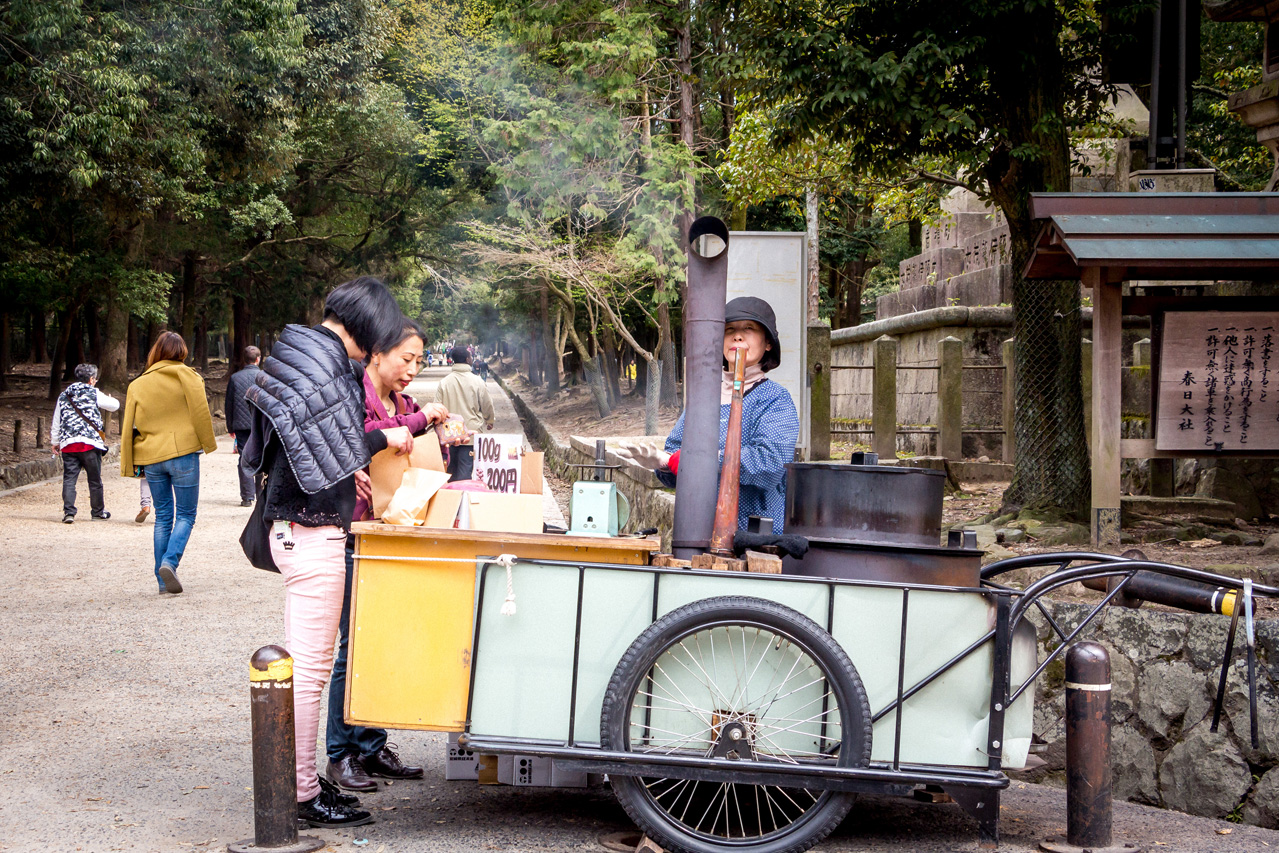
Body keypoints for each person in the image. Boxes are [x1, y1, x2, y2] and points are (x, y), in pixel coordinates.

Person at [241, 277, 415, 830]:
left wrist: (346, 470)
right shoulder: (331, 368)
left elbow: (311, 446)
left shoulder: (300, 352)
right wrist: (386, 439)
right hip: (311, 529)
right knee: (309, 672)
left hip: (294, 523)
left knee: (305, 668)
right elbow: (343, 443)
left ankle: (301, 786)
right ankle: (300, 794)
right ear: (366, 327)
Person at [326, 319, 448, 793]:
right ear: (376, 353)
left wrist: (440, 434)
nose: (413, 369)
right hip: (354, 533)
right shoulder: (353, 393)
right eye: (406, 358)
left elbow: (415, 453)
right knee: (352, 646)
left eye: (419, 360)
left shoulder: (404, 403)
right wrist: (418, 423)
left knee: (379, 642)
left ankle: (371, 745)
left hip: (394, 533)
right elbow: (358, 436)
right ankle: (340, 754)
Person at [616, 297, 798, 535]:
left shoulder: (774, 398)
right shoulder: (705, 397)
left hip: (752, 536)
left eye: (749, 328)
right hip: (696, 531)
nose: (737, 336)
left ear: (768, 344)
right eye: (729, 329)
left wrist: (701, 461)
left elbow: (770, 464)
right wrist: (663, 463)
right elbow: (677, 455)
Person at [121, 333, 217, 594]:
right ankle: (169, 563)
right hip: (183, 453)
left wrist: (129, 460)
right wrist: (208, 443)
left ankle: (162, 582)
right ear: (182, 352)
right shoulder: (189, 376)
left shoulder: (138, 384)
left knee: (163, 516)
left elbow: (128, 425)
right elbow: (200, 412)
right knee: (186, 515)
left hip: (152, 456)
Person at [51, 363, 119, 523]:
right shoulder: (93, 392)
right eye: (95, 379)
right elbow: (115, 405)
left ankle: (69, 512)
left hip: (68, 443)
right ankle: (97, 512)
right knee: (94, 480)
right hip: (90, 443)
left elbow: (56, 420)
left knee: (69, 479)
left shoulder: (64, 395)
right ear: (91, 379)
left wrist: (55, 441)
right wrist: (109, 398)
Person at [433, 344, 495, 481]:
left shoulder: (444, 382)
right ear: (467, 359)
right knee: (465, 472)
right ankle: (462, 493)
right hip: (470, 435)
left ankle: (451, 493)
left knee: (449, 472)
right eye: (470, 357)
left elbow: (436, 407)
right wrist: (489, 420)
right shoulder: (477, 381)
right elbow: (487, 404)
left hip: (449, 436)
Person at [224, 345, 262, 507]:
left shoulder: (235, 378)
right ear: (258, 359)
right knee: (262, 457)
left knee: (244, 458)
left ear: (244, 360)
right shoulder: (265, 377)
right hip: (260, 424)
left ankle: (247, 497)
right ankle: (262, 494)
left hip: (241, 424)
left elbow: (229, 404)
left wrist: (230, 426)